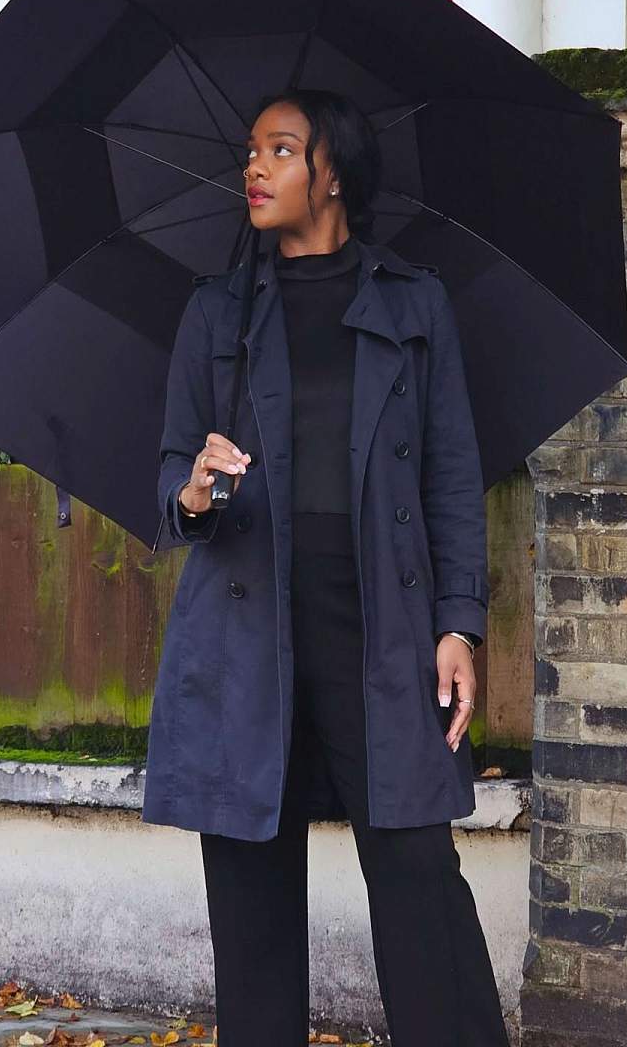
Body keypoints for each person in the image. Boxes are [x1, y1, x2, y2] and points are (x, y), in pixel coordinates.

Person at [146, 88, 510, 1046]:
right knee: (251, 893)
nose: (253, 168)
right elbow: (170, 473)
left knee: (418, 874)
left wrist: (458, 622)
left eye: (280, 149)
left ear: (333, 172)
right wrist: (194, 491)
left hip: (381, 627)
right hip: (246, 627)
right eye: (251, 151)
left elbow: (451, 475)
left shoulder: (414, 304)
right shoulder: (216, 311)